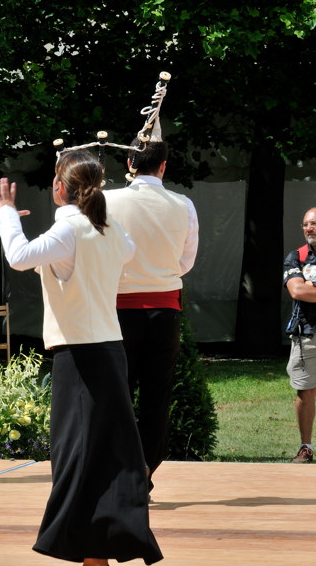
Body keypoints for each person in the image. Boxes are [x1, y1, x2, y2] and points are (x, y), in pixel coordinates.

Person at [0, 150, 162, 566]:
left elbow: (17, 256)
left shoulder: (69, 228)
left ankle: (88, 545)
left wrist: (6, 211)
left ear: (58, 188)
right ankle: (96, 550)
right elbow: (124, 252)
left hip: (81, 357)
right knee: (101, 455)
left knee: (76, 455)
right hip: (107, 350)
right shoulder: (107, 228)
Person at [104, 139, 198, 489]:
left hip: (118, 308)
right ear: (164, 166)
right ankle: (145, 468)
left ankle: (122, 469)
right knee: (157, 397)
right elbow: (185, 263)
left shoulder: (108, 199)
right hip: (164, 308)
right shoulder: (183, 204)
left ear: (130, 163)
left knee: (119, 393)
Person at [282, 207, 316, 464]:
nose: (309, 228)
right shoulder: (297, 257)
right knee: (305, 392)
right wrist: (305, 287)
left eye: (314, 223)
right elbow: (297, 292)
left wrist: (310, 286)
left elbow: (307, 290)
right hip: (307, 334)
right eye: (306, 224)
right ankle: (306, 447)